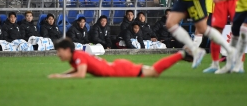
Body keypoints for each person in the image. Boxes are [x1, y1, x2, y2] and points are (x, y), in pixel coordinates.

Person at [48, 38, 194, 78]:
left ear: (67, 50)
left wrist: (59, 77)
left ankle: (181, 54)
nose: (58, 54)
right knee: (153, 71)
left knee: (154, 72)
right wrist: (61, 74)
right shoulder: (76, 57)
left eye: (59, 51)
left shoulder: (78, 56)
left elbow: (80, 75)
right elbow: (78, 71)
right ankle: (181, 55)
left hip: (120, 70)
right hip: (117, 67)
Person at [213, 0, 247, 73]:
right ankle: (229, 65)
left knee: (244, 30)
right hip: (241, 8)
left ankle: (239, 64)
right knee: (235, 35)